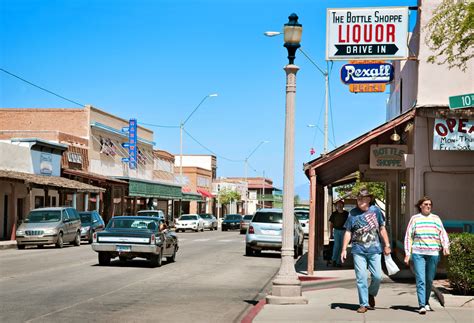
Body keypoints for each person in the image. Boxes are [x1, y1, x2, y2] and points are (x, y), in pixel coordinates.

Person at [341, 187, 391, 313]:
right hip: (358, 250)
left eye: (363, 198)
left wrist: (387, 245)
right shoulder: (352, 213)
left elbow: (382, 228)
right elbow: (348, 232)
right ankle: (363, 304)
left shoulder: (376, 211)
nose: (360, 200)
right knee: (361, 277)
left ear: (369, 199)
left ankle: (371, 293)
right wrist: (343, 249)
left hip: (375, 249)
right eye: (358, 198)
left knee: (378, 277)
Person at [404, 197, 450, 315]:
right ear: (420, 206)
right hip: (418, 253)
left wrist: (446, 247)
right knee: (421, 279)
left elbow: (442, 233)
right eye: (426, 204)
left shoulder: (436, 218)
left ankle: (426, 302)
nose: (428, 206)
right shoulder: (414, 219)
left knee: (429, 280)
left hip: (433, 253)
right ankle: (422, 305)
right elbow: (409, 236)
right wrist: (408, 253)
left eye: (430, 204)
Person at [329, 200, 349, 267]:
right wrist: (331, 234)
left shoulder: (347, 214)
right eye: (338, 205)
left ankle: (338, 262)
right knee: (336, 245)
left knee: (342, 246)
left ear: (343, 205)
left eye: (341, 204)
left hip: (344, 231)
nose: (339, 206)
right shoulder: (334, 214)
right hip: (336, 231)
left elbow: (349, 224)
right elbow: (331, 224)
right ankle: (333, 259)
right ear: (336, 206)